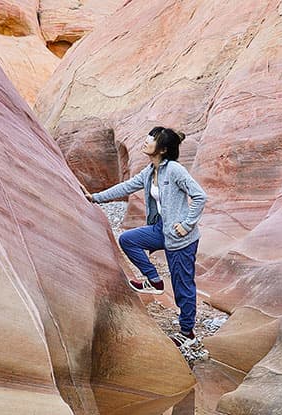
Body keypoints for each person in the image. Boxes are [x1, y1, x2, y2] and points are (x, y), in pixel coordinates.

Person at [86, 127, 207, 350]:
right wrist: (95, 198)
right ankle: (154, 280)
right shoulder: (151, 171)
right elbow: (127, 186)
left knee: (183, 286)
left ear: (163, 149)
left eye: (150, 140)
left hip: (181, 238)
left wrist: (186, 225)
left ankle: (187, 332)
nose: (145, 142)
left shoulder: (175, 171)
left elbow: (200, 196)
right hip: (162, 229)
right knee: (128, 240)